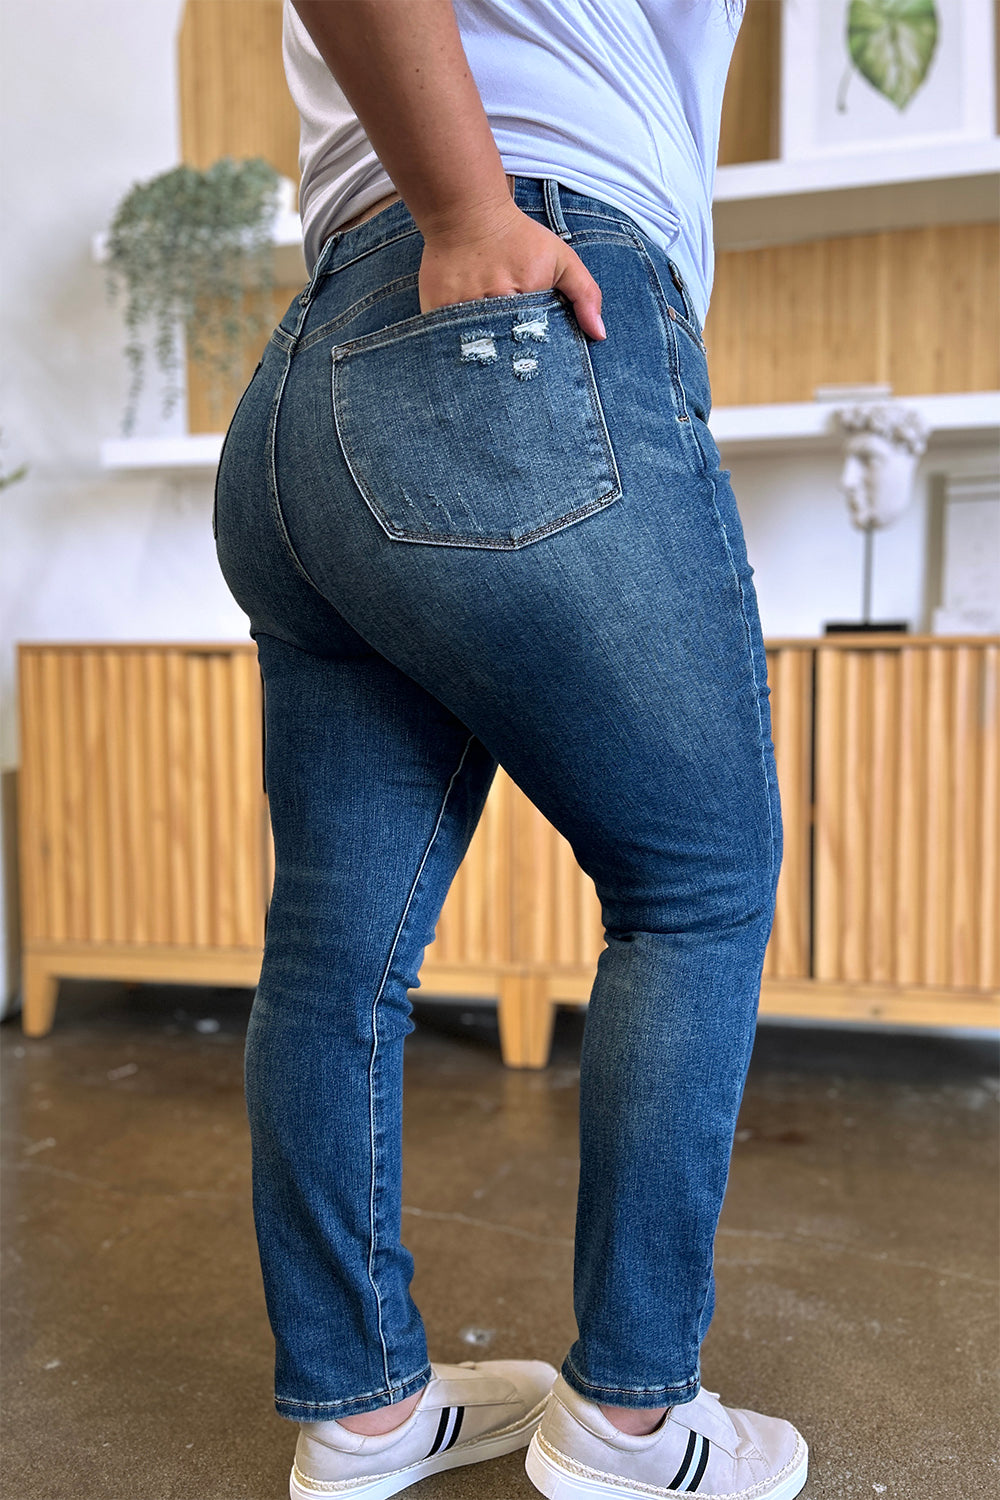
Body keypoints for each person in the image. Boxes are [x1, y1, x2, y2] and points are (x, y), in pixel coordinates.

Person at [212, 2, 810, 1497]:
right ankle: (632, 1419)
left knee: (336, 948)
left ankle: (358, 1412)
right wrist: (471, 209)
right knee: (699, 886)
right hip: (508, 321)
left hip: (312, 386)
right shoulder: (488, 220)